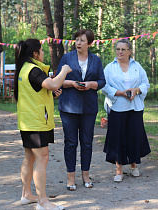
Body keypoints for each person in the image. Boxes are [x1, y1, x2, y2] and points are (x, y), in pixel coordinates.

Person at [14, 38, 72, 209]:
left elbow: (37, 91)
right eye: (42, 50)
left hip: (28, 121)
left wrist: (51, 94)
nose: (44, 53)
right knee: (42, 158)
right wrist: (64, 71)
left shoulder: (25, 68)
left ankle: (26, 195)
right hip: (36, 122)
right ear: (34, 53)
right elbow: (53, 84)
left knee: (30, 157)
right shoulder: (33, 70)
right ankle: (43, 201)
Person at [55, 29, 105, 191]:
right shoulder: (67, 58)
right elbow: (57, 81)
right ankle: (71, 177)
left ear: (89, 43)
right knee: (70, 143)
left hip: (89, 108)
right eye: (77, 40)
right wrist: (72, 84)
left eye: (82, 40)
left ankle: (85, 175)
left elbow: (102, 81)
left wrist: (91, 85)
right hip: (69, 107)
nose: (78, 43)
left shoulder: (96, 60)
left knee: (87, 142)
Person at [102, 39, 151, 182]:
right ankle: (119, 169)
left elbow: (145, 84)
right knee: (118, 137)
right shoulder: (110, 67)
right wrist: (120, 93)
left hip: (135, 107)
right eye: (118, 49)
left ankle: (133, 164)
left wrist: (137, 90)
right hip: (117, 107)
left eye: (123, 49)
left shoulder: (137, 66)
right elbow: (104, 86)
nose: (120, 52)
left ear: (130, 51)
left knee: (134, 136)